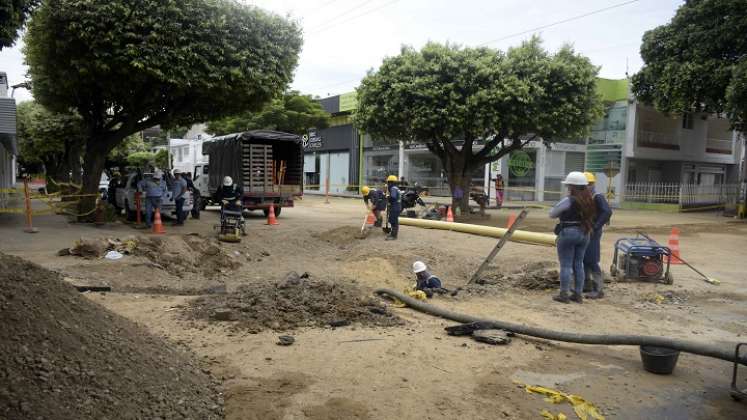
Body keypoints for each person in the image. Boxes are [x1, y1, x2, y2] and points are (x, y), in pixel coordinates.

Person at [549, 171, 596, 304]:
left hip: (569, 232)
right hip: (585, 233)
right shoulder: (589, 200)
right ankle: (578, 294)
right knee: (579, 264)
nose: (567, 188)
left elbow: (552, 214)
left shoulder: (569, 200)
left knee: (566, 265)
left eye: (568, 185)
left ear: (572, 186)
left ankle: (564, 294)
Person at [583, 172, 613, 299]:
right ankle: (587, 284)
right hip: (588, 230)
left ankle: (598, 289)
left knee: (591, 259)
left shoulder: (597, 196)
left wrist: (596, 226)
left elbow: (607, 211)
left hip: (593, 231)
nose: (586, 187)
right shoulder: (588, 197)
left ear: (591, 184)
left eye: (588, 184)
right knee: (584, 258)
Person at [385, 175, 401, 240]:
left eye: (388, 182)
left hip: (395, 207)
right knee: (394, 221)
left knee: (393, 221)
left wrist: (388, 197)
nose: (388, 184)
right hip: (397, 206)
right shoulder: (396, 188)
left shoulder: (393, 188)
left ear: (391, 182)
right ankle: (393, 233)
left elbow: (393, 197)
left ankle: (393, 236)